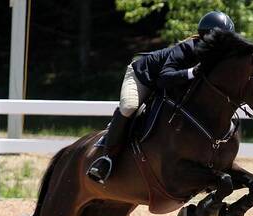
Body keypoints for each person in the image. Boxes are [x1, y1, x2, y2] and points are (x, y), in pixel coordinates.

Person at [86, 11, 235, 184]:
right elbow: (164, 78)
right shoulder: (187, 48)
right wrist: (191, 72)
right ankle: (106, 158)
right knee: (130, 107)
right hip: (142, 76)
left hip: (168, 84)